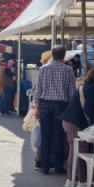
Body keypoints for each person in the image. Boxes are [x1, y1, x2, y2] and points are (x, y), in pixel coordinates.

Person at [33, 46, 76, 175]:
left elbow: (38, 90)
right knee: (59, 136)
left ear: (52, 55)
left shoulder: (43, 69)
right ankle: (58, 165)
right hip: (61, 105)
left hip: (45, 104)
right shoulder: (68, 70)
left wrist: (36, 107)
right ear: (63, 56)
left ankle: (45, 165)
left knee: (46, 135)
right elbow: (72, 92)